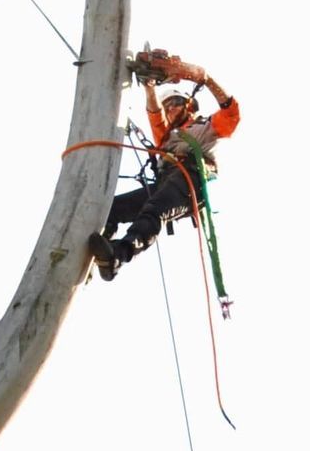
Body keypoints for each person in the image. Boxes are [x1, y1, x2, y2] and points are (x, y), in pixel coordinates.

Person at [87, 51, 240, 282]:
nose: (170, 109)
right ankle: (98, 248)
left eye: (175, 103)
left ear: (190, 105)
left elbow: (231, 112)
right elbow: (155, 114)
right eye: (167, 105)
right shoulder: (167, 137)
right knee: (112, 208)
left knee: (154, 211)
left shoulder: (209, 126)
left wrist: (205, 78)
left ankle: (118, 255)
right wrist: (149, 85)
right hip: (166, 181)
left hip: (192, 179)